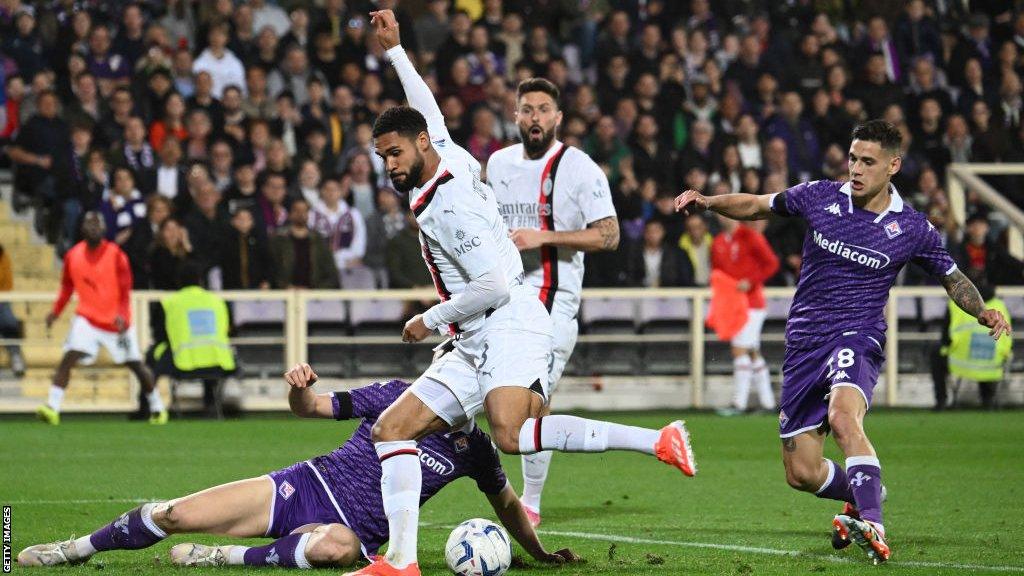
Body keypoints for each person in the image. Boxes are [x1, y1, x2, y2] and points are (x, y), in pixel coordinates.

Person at [355, 12, 695, 576]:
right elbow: (427, 108)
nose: (389, 166)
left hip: (510, 318)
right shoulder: (447, 153)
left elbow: (490, 283)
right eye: (382, 156)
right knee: (391, 429)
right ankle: (400, 562)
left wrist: (429, 318)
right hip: (476, 335)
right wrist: (395, 51)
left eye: (394, 154)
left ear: (418, 147)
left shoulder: (450, 204)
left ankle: (656, 440)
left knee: (509, 434)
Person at [675, 120, 1011, 565]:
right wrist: (707, 201)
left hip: (857, 335)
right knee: (801, 472)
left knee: (843, 416)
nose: (855, 168)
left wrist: (982, 309)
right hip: (804, 344)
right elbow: (758, 205)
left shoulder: (911, 227)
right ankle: (863, 486)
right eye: (853, 158)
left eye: (867, 161)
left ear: (893, 165)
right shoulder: (820, 196)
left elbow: (951, 277)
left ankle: (872, 520)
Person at [17, 369, 580, 569]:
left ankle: (227, 558)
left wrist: (539, 553)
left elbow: (507, 503)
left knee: (334, 549)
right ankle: (75, 550)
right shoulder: (395, 396)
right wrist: (300, 390)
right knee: (177, 513)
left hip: (353, 533)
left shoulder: (475, 449)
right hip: (302, 487)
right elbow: (314, 409)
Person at [485, 77, 622, 527]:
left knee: (530, 407)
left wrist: (544, 237)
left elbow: (609, 234)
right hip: (503, 302)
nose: (535, 118)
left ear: (558, 117)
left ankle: (532, 502)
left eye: (544, 109)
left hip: (554, 303)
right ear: (516, 115)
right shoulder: (499, 164)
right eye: (527, 109)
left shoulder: (580, 168)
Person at [39, 212, 168, 426]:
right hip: (87, 319)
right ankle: (52, 408)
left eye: (97, 224)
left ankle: (157, 408)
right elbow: (66, 288)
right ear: (82, 229)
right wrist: (56, 312)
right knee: (69, 357)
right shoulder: (73, 255)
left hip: (115, 322)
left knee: (135, 364)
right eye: (89, 223)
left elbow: (125, 291)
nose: (93, 228)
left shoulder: (117, 255)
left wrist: (123, 317)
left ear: (104, 229)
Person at [711, 214, 779, 414]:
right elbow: (718, 273)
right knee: (752, 351)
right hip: (733, 304)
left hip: (751, 303)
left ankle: (738, 403)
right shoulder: (718, 242)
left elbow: (772, 263)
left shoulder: (751, 237)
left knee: (739, 350)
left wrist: (750, 281)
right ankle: (768, 403)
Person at [932, 274, 1012, 410]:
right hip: (992, 365)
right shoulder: (1000, 305)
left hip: (960, 362)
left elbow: (945, 339)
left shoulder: (954, 304)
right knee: (989, 346)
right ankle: (987, 400)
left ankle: (941, 401)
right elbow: (1007, 337)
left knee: (935, 353)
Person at [0, 243, 26, 376]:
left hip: (1, 298)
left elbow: (7, 285)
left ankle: (15, 355)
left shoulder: (3, 256)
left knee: (9, 320)